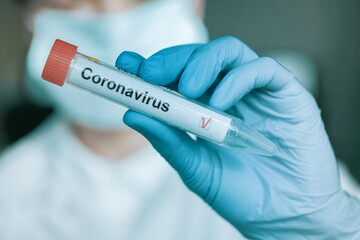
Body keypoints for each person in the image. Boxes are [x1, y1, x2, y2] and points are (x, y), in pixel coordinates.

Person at [0, 0, 360, 239]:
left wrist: (326, 231)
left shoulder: (294, 178)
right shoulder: (9, 191)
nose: (112, 14)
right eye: (75, 1)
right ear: (29, 20)